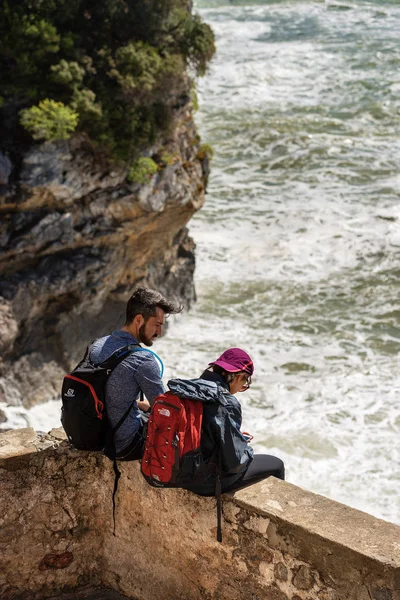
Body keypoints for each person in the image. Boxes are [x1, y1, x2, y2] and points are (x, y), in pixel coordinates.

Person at [167, 347, 284, 496]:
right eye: (244, 382)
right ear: (237, 376)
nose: (242, 386)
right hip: (205, 482)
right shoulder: (226, 402)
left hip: (179, 473)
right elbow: (234, 462)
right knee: (276, 464)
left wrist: (235, 437)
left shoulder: (188, 389)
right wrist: (244, 447)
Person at [90, 286, 182, 461]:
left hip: (95, 433)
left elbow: (110, 390)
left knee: (148, 409)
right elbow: (165, 411)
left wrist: (141, 404)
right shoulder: (143, 360)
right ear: (139, 320)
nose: (159, 332)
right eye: (157, 324)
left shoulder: (97, 345)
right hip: (124, 445)